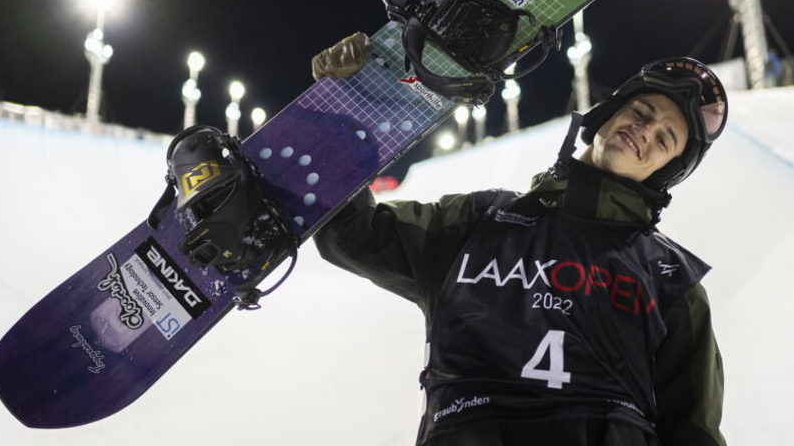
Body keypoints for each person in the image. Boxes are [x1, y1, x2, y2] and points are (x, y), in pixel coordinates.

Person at [312, 33, 727, 446]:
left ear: (665, 170)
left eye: (663, 139)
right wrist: (341, 112)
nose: (645, 129)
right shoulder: (478, 222)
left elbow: (695, 434)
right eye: (642, 110)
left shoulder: (670, 279)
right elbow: (352, 232)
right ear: (611, 111)